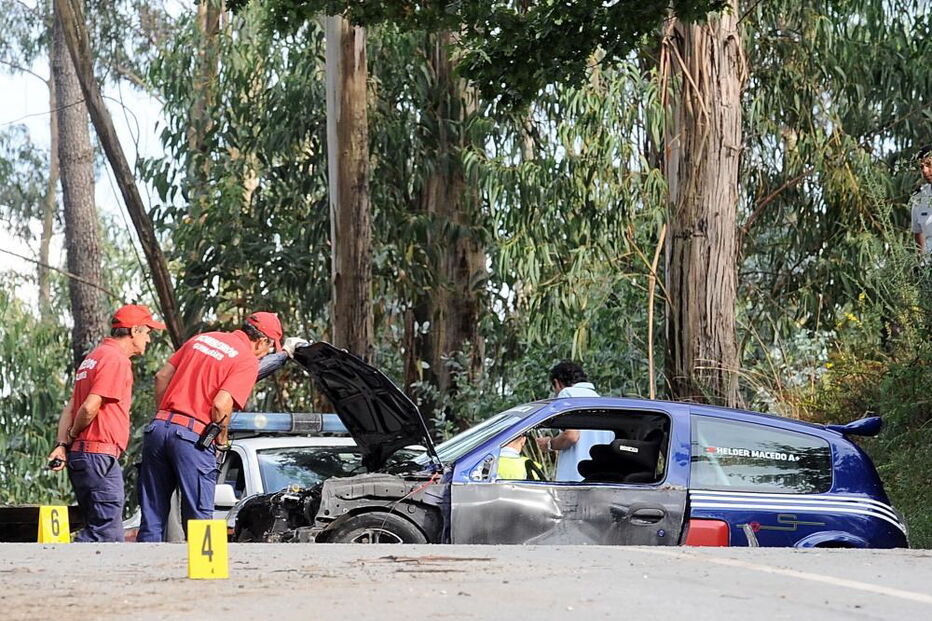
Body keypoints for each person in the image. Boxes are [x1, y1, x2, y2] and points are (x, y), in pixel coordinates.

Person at [137, 312, 283, 542]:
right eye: (270, 348)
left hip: (158, 430)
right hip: (191, 438)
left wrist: (165, 413)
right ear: (262, 341)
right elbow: (220, 405)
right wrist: (221, 440)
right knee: (200, 521)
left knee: (152, 518)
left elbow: (161, 377)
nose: (266, 354)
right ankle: (206, 576)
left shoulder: (202, 339)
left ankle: (144, 575)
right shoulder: (246, 360)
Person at [47, 304, 166, 542]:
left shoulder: (93, 357)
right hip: (97, 455)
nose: (149, 340)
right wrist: (71, 435)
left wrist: (62, 444)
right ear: (134, 331)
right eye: (147, 332)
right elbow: (89, 406)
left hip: (85, 457)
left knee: (99, 527)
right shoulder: (116, 360)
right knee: (106, 533)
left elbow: (71, 406)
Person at [535, 360, 613, 481]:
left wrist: (549, 444)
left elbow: (571, 435)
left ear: (557, 383)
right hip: (598, 478)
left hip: (574, 478)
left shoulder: (567, 394)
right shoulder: (599, 400)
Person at [910, 145, 932, 257]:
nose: (925, 171)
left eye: (929, 165)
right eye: (922, 166)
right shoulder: (919, 197)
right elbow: (918, 232)